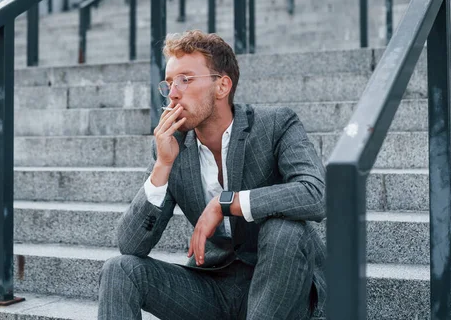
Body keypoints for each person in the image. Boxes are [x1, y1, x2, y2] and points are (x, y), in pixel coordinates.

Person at [98, 30, 326, 320]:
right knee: (120, 270)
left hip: (278, 286)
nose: (173, 93)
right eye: (168, 84)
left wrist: (226, 202)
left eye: (185, 79)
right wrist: (162, 166)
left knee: (286, 230)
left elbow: (315, 194)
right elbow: (131, 245)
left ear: (222, 86)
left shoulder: (276, 124)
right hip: (213, 287)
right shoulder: (172, 148)